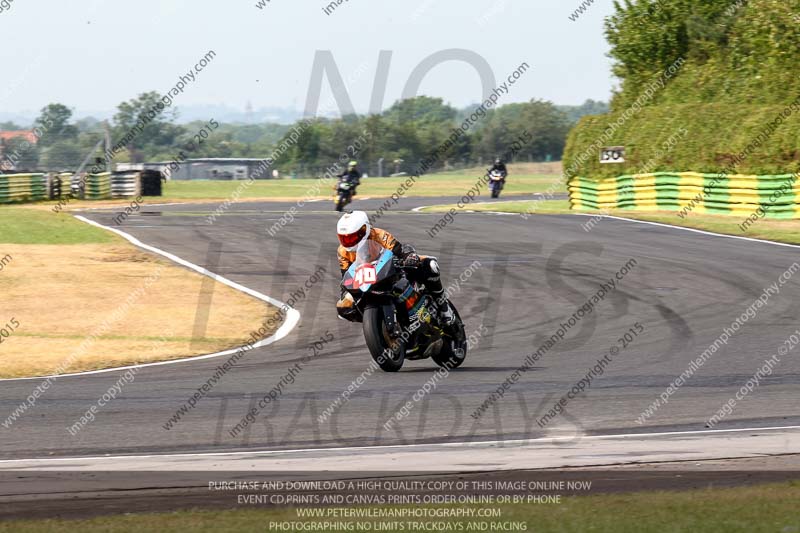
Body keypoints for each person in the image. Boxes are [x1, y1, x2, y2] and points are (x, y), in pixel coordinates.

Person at [335, 210, 456, 329]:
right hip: (367, 282)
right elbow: (346, 275)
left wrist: (409, 257)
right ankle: (377, 323)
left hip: (388, 271)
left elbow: (399, 250)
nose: (348, 242)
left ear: (364, 229)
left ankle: (443, 307)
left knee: (431, 266)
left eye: (352, 237)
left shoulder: (379, 235)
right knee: (343, 307)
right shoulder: (342, 251)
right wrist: (346, 292)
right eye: (343, 238)